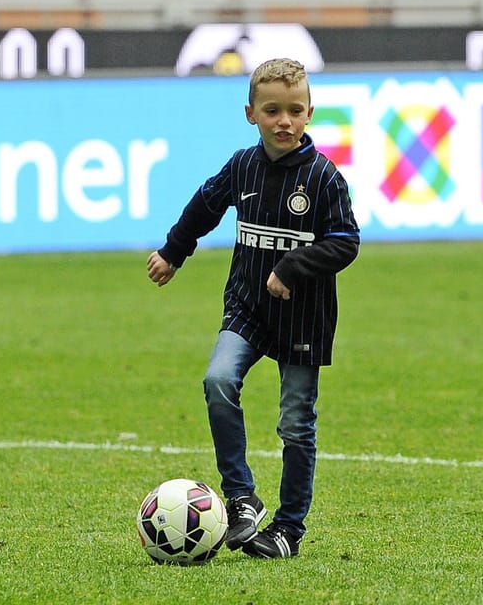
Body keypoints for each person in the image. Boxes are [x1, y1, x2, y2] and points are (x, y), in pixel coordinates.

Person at [147, 57, 360, 559]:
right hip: (246, 306)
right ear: (251, 114)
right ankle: (241, 498)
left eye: (293, 110)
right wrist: (174, 251)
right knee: (218, 381)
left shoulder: (324, 178)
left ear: (309, 113)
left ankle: (288, 528)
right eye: (271, 111)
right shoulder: (242, 166)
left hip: (303, 319)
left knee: (295, 424)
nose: (283, 121)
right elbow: (205, 205)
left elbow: (346, 242)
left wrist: (292, 268)